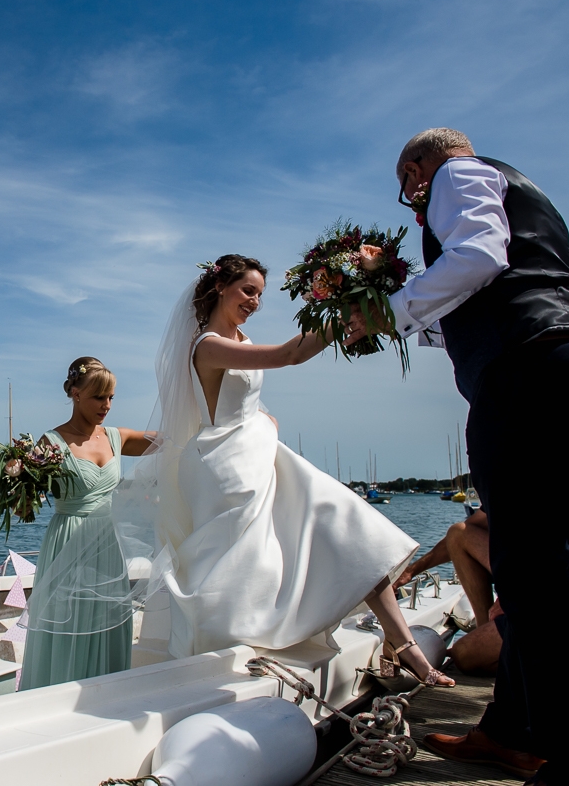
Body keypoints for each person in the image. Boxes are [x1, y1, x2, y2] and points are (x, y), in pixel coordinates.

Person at [350, 128, 569, 784]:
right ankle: (509, 729)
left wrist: (388, 310)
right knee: (543, 570)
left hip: (527, 378)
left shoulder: (456, 175)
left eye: (407, 183)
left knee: (530, 577)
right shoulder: (524, 193)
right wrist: (400, 297)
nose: (413, 197)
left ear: (417, 167)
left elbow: (477, 258)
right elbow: (475, 296)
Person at [143, 255, 452, 686]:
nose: (254, 301)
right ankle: (222, 654)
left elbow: (240, 400)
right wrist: (345, 310)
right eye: (247, 290)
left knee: (345, 522)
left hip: (257, 451)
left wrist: (262, 419)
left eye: (259, 295)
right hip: (227, 467)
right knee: (242, 564)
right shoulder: (208, 345)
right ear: (220, 287)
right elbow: (289, 354)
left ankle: (402, 642)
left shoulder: (238, 339)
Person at [18, 357, 154, 690]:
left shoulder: (117, 437)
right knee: (69, 626)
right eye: (98, 397)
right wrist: (20, 482)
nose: (106, 405)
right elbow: (23, 503)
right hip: (68, 541)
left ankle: (105, 699)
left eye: (111, 397)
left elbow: (172, 439)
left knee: (106, 624)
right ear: (75, 394)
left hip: (107, 545)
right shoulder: (51, 443)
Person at [395, 498, 569, 676]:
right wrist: (411, 571)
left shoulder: (567, 472)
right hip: (541, 586)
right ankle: (488, 630)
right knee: (459, 534)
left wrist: (518, 597)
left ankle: (568, 659)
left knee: (464, 654)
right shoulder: (507, 480)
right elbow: (472, 525)